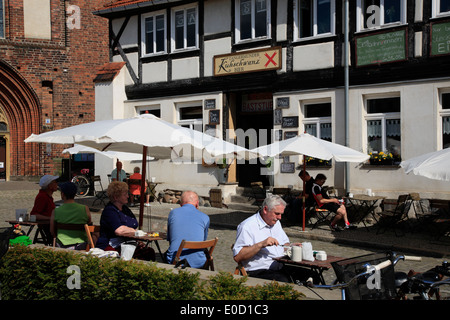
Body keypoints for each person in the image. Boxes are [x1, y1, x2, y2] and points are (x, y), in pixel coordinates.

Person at [233, 195, 314, 283]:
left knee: (311, 274)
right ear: (265, 210)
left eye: (281, 214)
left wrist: (292, 246)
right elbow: (238, 257)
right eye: (277, 213)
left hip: (279, 267)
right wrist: (261, 244)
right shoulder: (247, 226)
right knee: (283, 281)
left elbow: (283, 244)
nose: (280, 218)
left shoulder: (276, 223)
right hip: (258, 270)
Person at [96, 181, 155, 260]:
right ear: (116, 197)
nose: (128, 196)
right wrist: (136, 232)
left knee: (149, 252)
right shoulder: (109, 211)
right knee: (138, 254)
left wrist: (137, 240)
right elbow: (119, 230)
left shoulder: (125, 209)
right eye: (125, 194)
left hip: (127, 244)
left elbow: (133, 225)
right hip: (113, 246)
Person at [165, 191, 210, 268]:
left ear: (180, 203)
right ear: (197, 203)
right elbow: (203, 241)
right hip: (198, 262)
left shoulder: (173, 213)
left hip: (176, 260)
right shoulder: (205, 217)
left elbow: (170, 238)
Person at [50, 182, 92, 250]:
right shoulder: (85, 209)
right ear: (75, 194)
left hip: (61, 246)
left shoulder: (56, 211)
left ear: (62, 194)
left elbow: (52, 231)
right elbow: (89, 225)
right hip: (81, 246)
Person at [30, 174, 59, 244]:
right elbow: (34, 215)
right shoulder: (42, 197)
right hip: (48, 227)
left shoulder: (48, 197)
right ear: (50, 186)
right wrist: (50, 218)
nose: (57, 184)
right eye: (55, 182)